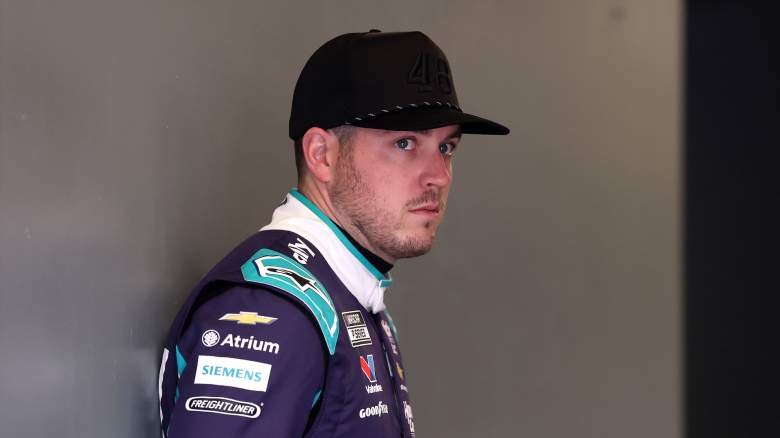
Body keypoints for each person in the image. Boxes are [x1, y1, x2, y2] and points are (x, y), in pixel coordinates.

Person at [158, 29, 509, 437]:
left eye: (446, 148)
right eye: (405, 143)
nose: (439, 176)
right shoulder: (274, 312)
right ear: (322, 154)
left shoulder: (349, 294)